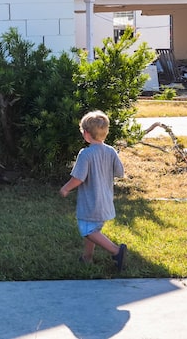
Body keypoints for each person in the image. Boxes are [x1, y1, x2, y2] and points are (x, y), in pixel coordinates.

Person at [60, 110, 127, 270]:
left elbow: (78, 178)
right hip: (105, 202)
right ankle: (87, 257)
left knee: (87, 231)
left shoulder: (86, 154)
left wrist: (66, 188)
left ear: (86, 134)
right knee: (93, 230)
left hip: (91, 203)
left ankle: (117, 251)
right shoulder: (110, 151)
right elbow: (120, 172)